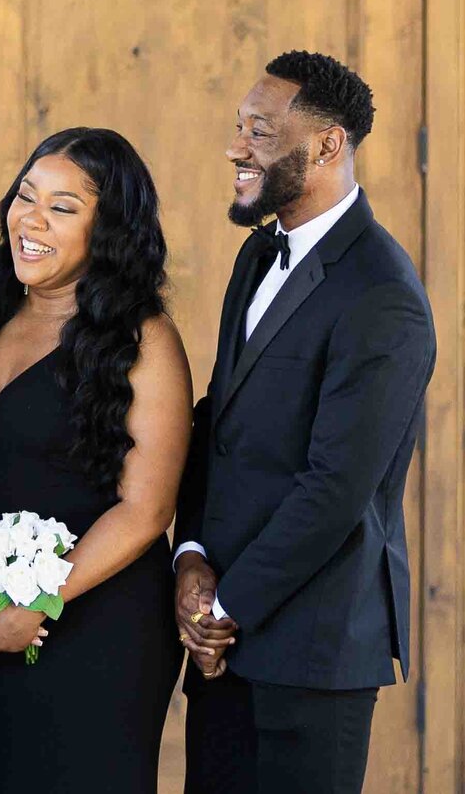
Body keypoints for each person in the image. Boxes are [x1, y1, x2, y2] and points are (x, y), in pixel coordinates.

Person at [176, 51, 436, 794]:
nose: (237, 146)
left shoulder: (384, 295)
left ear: (327, 146)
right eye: (239, 127)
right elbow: (216, 422)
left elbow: (335, 490)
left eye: (259, 130)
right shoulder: (257, 256)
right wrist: (189, 553)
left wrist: (221, 609)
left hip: (310, 656)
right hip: (220, 648)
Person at [0, 127, 190, 793]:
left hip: (99, 627)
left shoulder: (144, 340)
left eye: (63, 206)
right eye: (26, 196)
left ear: (107, 229)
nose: (33, 219)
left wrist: (36, 602)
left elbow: (147, 507)